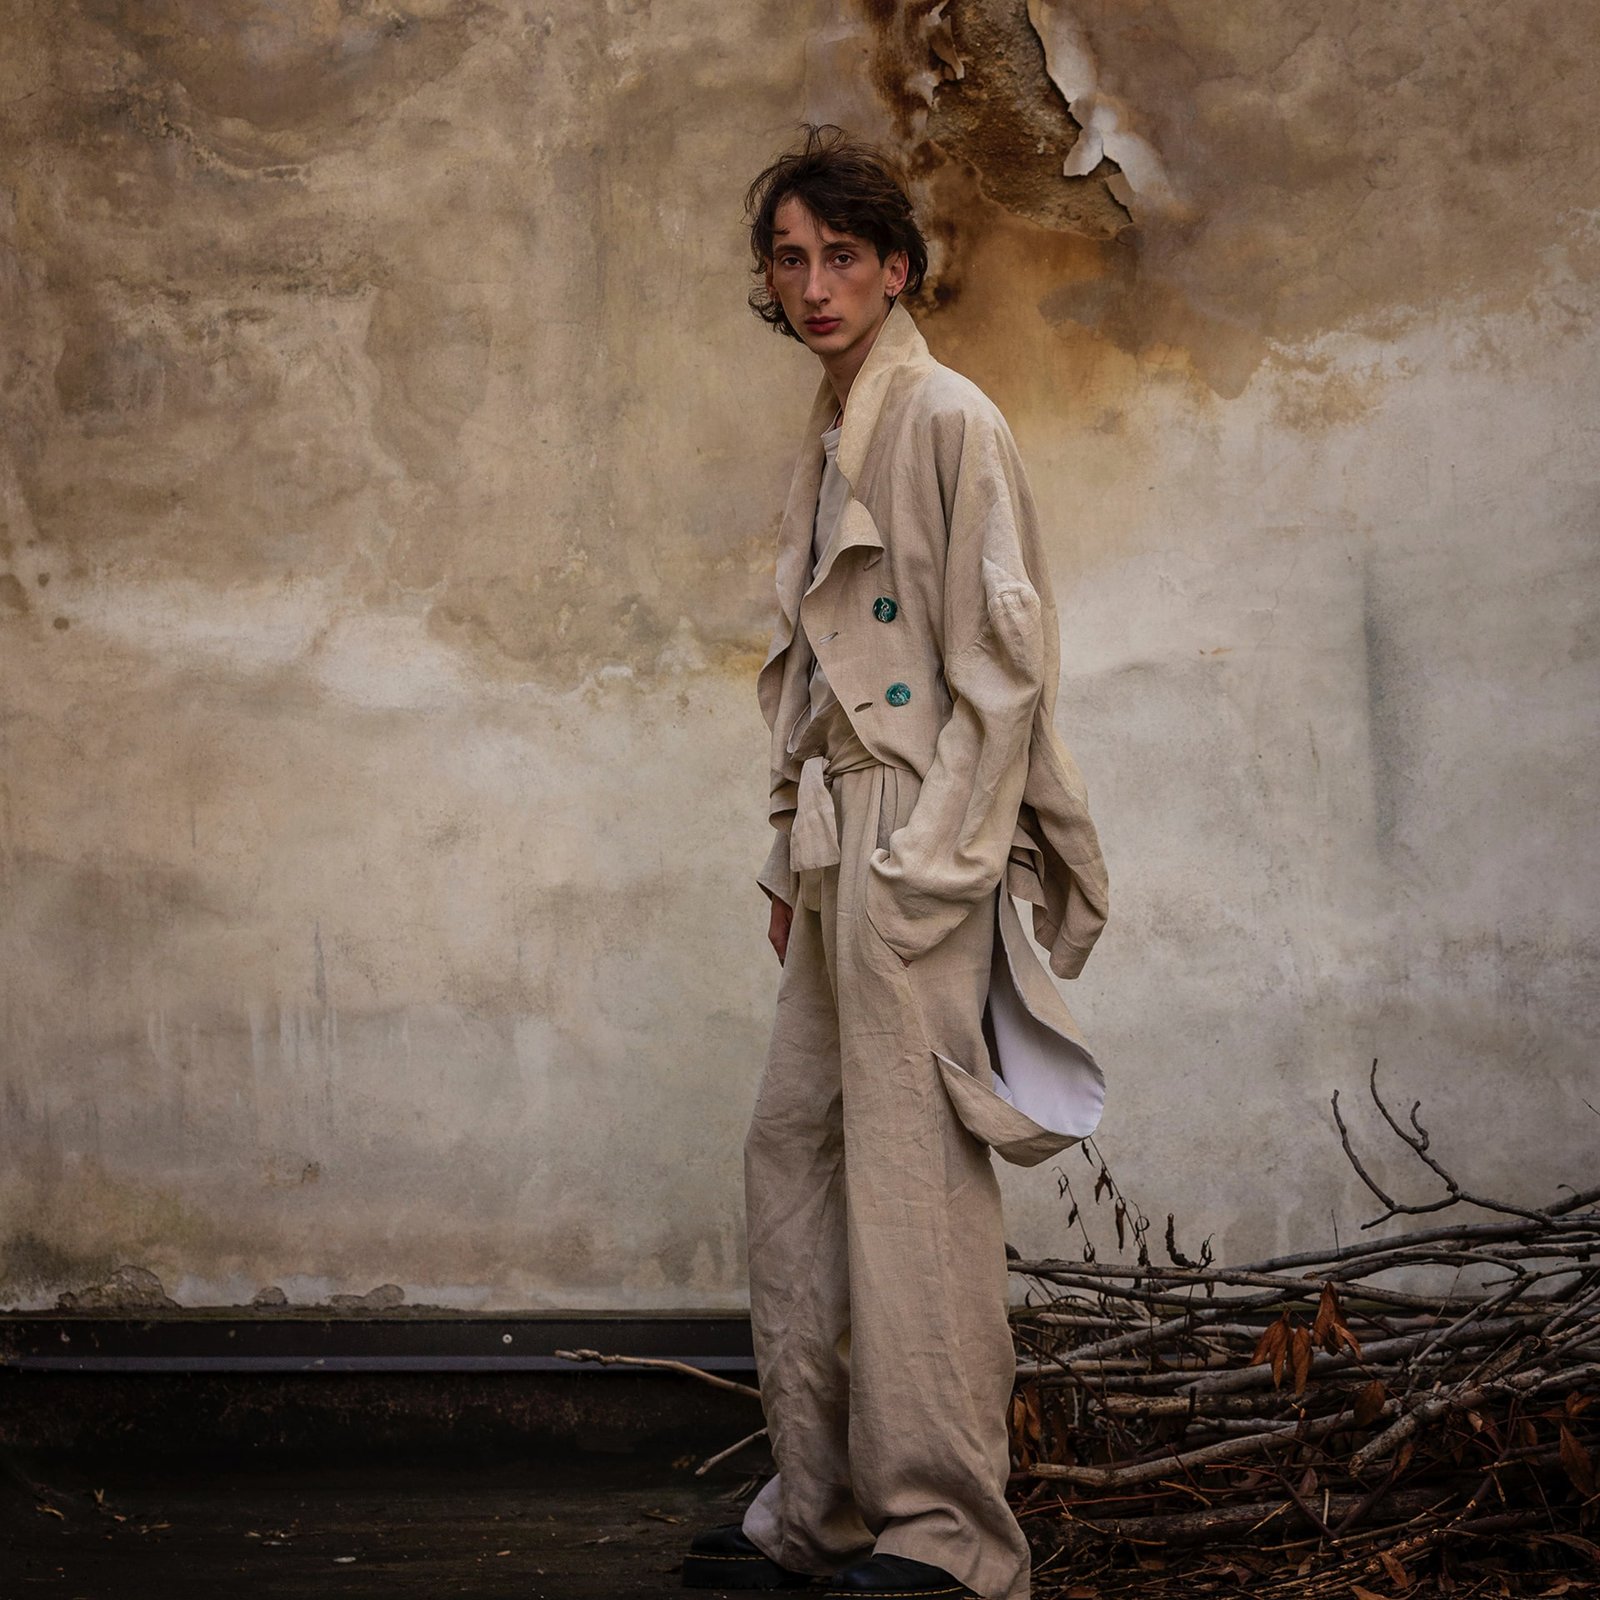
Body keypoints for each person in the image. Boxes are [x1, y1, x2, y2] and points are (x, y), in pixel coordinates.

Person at [683, 125, 1111, 1600]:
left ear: (898, 269)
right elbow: (815, 671)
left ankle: (948, 1539)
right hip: (838, 845)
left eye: (842, 256)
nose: (812, 285)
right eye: (789, 260)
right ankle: (820, 1512)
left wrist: (939, 863)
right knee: (793, 1153)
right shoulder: (836, 426)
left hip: (917, 832)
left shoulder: (946, 417)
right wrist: (787, 858)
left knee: (916, 1178)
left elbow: (1005, 660)